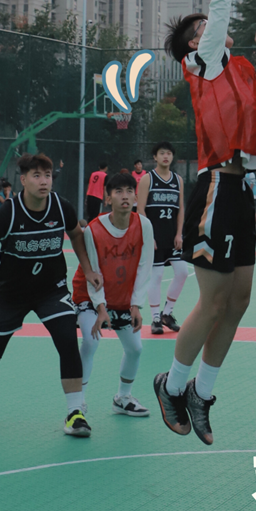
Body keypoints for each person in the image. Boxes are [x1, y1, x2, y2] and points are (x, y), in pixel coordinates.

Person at [154, 0, 256, 445]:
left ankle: (201, 394)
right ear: (193, 43)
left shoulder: (239, 68)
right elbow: (221, 2)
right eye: (204, 26)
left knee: (240, 299)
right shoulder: (201, 62)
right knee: (212, 301)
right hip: (215, 189)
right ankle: (170, 384)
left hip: (242, 189)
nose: (214, 27)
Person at [0, 153, 102, 435]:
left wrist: (88, 269)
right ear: (24, 180)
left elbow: (76, 234)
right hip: (10, 295)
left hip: (52, 291)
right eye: (37, 176)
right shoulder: (8, 213)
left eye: (47, 175)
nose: (44, 181)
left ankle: (75, 413)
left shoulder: (61, 207)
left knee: (68, 340)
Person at [72, 172, 154, 417]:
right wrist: (100, 308)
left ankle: (123, 398)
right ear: (108, 199)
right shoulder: (93, 230)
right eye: (118, 192)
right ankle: (77, 402)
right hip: (89, 295)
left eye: (130, 191)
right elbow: (93, 271)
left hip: (122, 297)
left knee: (135, 349)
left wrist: (136, 305)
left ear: (136, 198)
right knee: (90, 341)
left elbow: (144, 267)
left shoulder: (144, 225)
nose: (125, 196)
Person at [137, 141, 187, 335]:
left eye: (169, 153)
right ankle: (156, 318)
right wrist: (148, 236)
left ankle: (167, 313)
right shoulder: (147, 179)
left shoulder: (178, 180)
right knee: (156, 276)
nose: (166, 156)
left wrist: (179, 233)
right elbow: (141, 209)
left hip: (172, 236)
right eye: (162, 153)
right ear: (155, 157)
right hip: (155, 237)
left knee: (182, 272)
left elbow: (180, 209)